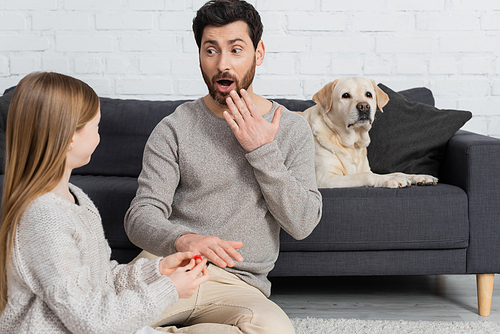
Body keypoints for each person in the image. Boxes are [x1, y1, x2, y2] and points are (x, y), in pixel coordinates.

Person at [124, 0, 323, 332]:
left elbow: (302, 223)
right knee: (90, 322)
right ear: (199, 54)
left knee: (275, 330)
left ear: (258, 53)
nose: (222, 65)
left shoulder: (290, 128)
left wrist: (261, 150)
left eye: (236, 50)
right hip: (170, 268)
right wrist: (184, 240)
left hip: (238, 286)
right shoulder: (173, 128)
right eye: (211, 50)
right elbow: (139, 216)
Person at [0, 72, 209, 334]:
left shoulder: (77, 199)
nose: (100, 135)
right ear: (70, 137)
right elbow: (90, 320)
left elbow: (101, 280)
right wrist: (169, 290)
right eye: (96, 126)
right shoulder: (44, 219)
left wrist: (158, 271)